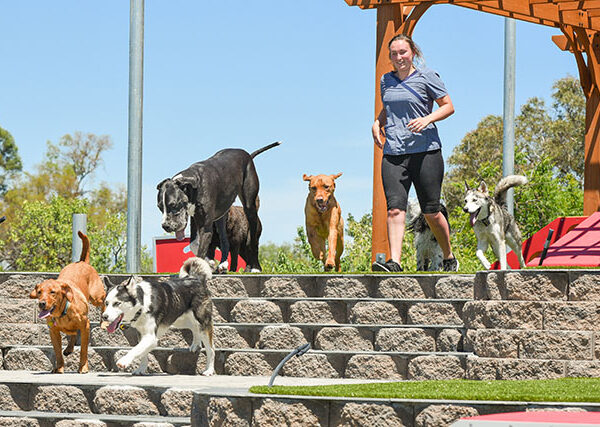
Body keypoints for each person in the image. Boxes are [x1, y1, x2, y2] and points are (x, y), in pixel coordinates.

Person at [371, 34, 459, 272]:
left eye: (403, 52)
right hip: (394, 152)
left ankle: (449, 255)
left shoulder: (427, 77)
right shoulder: (385, 80)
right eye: (394, 53)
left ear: (413, 53)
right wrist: (377, 123)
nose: (398, 57)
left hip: (426, 151)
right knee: (395, 208)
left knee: (431, 211)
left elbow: (448, 106)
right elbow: (389, 108)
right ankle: (395, 262)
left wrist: (427, 119)